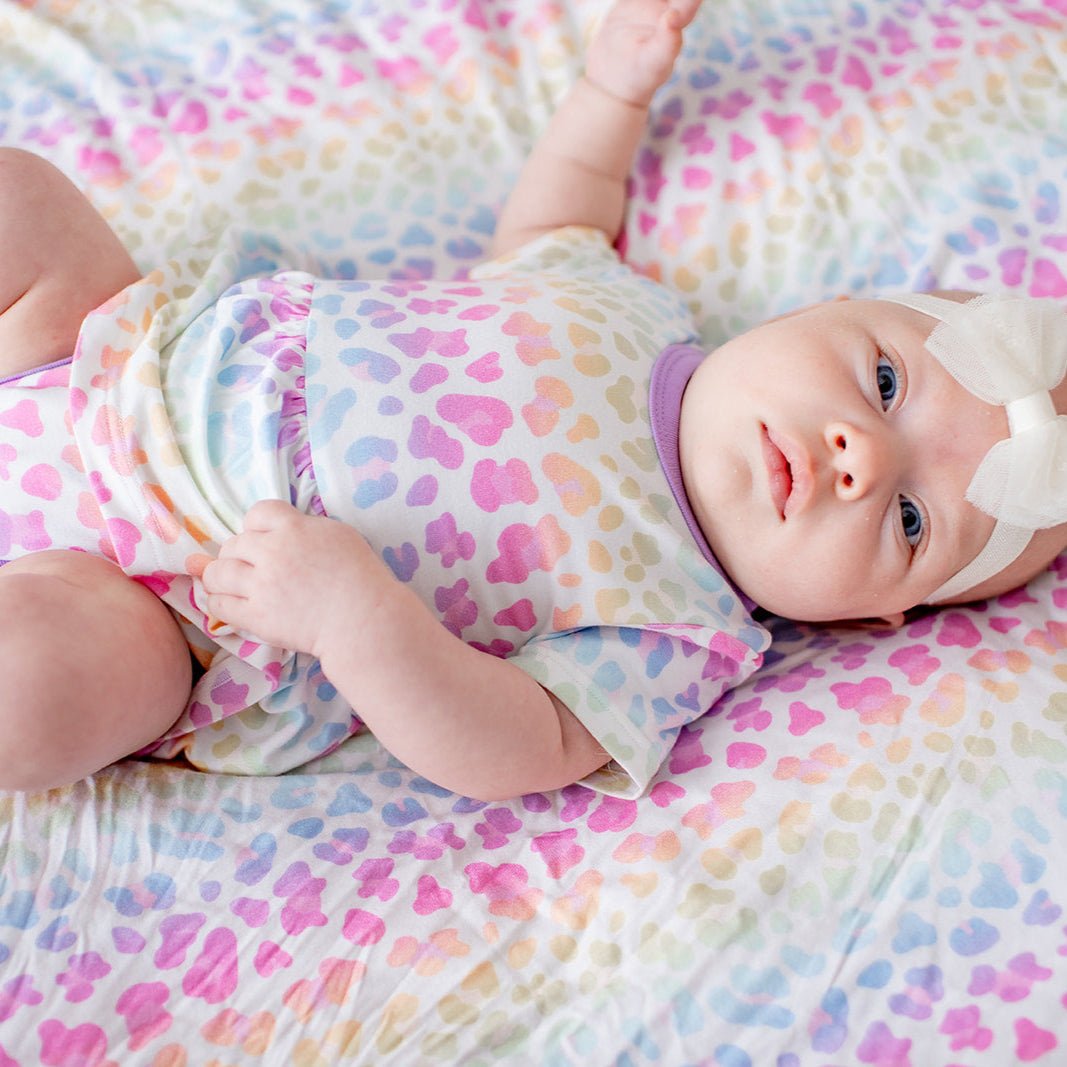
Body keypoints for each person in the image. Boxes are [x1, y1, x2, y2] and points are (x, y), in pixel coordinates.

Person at [0, 0, 1064, 799]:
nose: (860, 458)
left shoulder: (679, 628)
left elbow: (514, 746)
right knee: (23, 197)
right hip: (115, 359)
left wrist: (355, 619)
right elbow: (556, 216)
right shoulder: (627, 306)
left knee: (38, 684)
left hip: (176, 604)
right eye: (881, 381)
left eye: (910, 519)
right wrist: (613, 93)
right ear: (826, 305)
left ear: (881, 616)